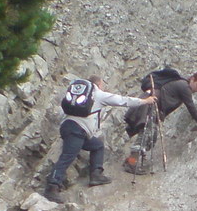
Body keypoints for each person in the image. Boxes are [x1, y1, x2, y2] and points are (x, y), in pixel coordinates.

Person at [44, 75, 156, 203]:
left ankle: (96, 175)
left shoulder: (78, 94)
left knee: (97, 145)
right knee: (67, 156)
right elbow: (122, 100)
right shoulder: (98, 94)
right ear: (99, 84)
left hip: (70, 127)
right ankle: (52, 187)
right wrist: (145, 101)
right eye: (102, 84)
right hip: (77, 129)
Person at [123, 71, 197, 174]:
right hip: (149, 106)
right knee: (146, 135)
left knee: (150, 136)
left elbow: (189, 106)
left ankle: (130, 161)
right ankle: (131, 164)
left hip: (150, 106)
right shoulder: (184, 86)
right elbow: (190, 106)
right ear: (192, 79)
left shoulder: (181, 85)